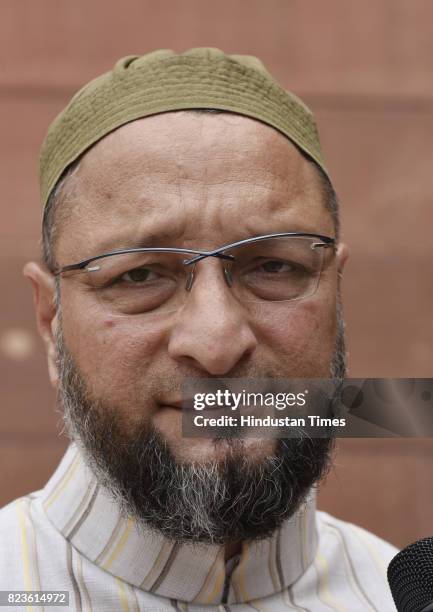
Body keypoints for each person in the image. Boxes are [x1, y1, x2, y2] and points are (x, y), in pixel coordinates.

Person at [0, 48, 397, 611]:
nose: (216, 344)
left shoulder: (394, 594)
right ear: (50, 319)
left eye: (274, 267)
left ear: (335, 292)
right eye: (139, 274)